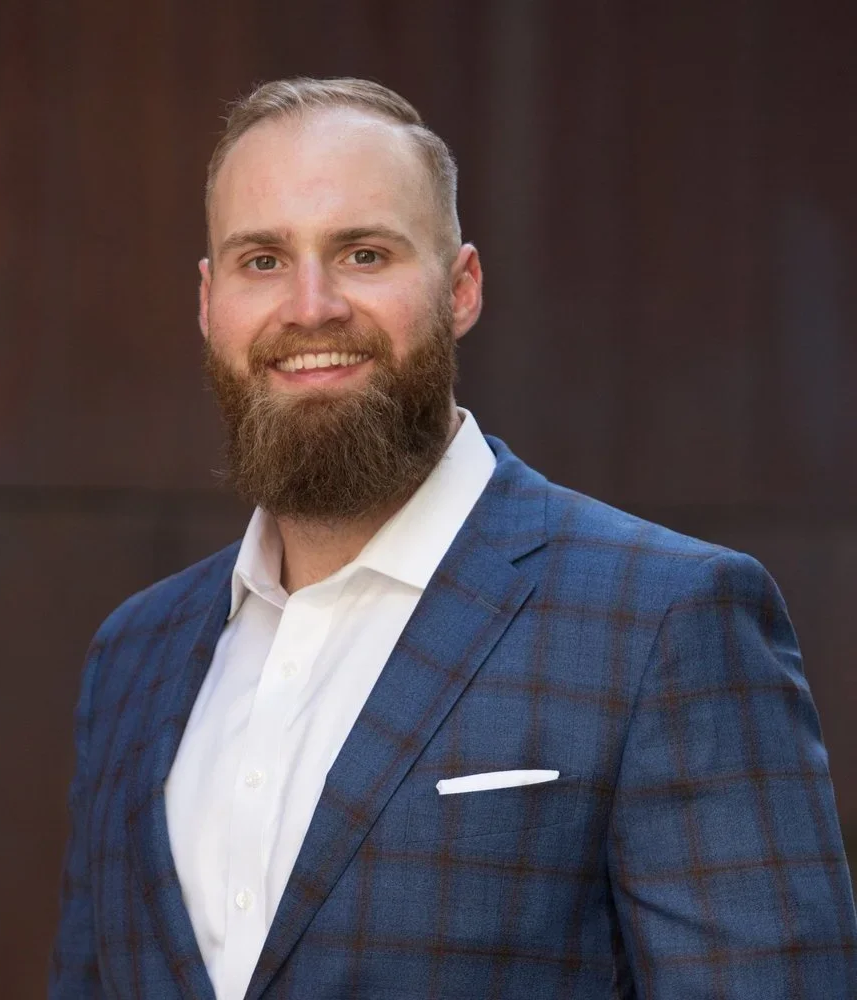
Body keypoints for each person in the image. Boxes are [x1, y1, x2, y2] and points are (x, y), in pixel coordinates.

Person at [49, 77, 857, 1000]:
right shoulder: (133, 656)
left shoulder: (665, 620)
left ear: (461, 287)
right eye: (262, 260)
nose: (310, 306)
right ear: (208, 302)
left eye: (363, 253)